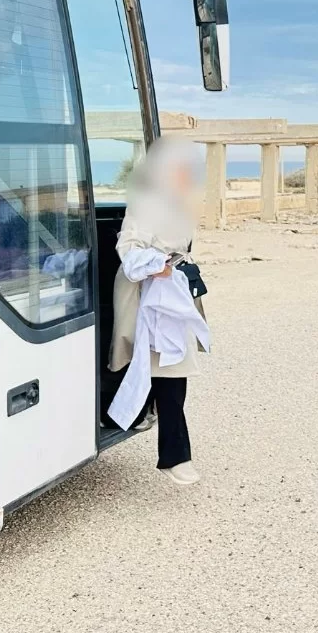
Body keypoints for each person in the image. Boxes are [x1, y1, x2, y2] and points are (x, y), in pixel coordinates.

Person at [108, 139, 208, 486]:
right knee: (170, 372)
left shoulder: (176, 202)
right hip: (154, 295)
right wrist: (157, 266)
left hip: (174, 292)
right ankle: (175, 456)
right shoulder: (147, 203)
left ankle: (134, 416)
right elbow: (128, 246)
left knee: (162, 368)